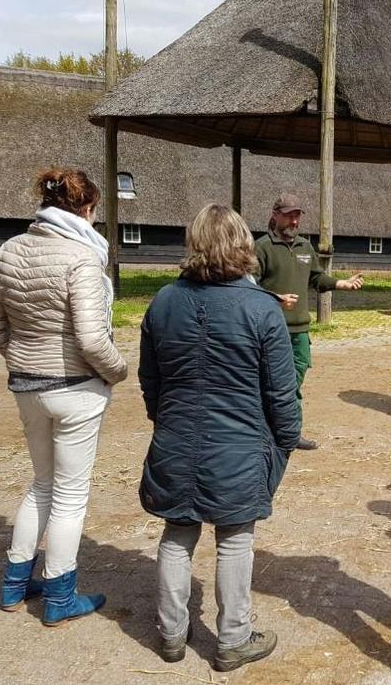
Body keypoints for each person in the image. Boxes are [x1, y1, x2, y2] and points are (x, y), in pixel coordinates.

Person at [138, 204, 301, 672]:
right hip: (239, 445)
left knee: (177, 531)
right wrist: (286, 442)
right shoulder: (260, 309)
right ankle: (232, 638)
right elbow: (282, 392)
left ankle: (171, 633)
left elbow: (151, 380)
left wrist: (165, 421)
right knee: (234, 539)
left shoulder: (164, 301)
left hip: (177, 438)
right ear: (242, 245)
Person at [0, 167, 127, 626]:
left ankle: (15, 583)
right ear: (88, 209)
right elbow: (90, 337)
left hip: (26, 383)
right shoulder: (82, 257)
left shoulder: (9, 250)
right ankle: (61, 595)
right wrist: (118, 372)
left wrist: (23, 358)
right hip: (75, 388)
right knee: (69, 494)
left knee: (41, 484)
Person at [252, 193, 363, 450]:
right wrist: (274, 299)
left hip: (300, 330)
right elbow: (249, 286)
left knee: (294, 380)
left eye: (297, 215)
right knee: (272, 381)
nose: (294, 221)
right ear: (275, 215)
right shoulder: (261, 247)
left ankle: (290, 432)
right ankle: (268, 432)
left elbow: (317, 278)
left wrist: (340, 283)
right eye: (289, 215)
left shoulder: (304, 246)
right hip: (272, 329)